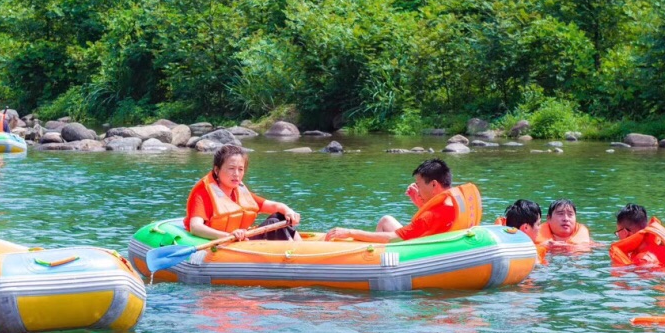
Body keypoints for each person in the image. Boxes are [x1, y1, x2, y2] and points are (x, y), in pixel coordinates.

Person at [325, 158, 481, 243]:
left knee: (383, 226)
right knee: (386, 220)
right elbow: (437, 224)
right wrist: (421, 205)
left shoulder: (431, 215)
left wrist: (350, 232)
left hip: (420, 254)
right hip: (447, 246)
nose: (417, 190)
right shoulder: (455, 204)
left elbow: (393, 238)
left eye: (419, 185)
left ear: (434, 184)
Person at [186, 145, 301, 241]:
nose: (236, 174)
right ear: (217, 170)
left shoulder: (240, 192)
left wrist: (289, 211)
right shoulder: (203, 193)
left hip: (242, 240)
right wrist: (228, 236)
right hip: (223, 242)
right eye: (231, 168)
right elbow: (195, 227)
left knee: (279, 216)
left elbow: (275, 206)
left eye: (240, 169)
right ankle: (297, 255)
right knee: (275, 222)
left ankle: (300, 250)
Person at [609, 203, 665, 268]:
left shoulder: (642, 260)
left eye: (618, 232)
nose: (618, 236)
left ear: (625, 232)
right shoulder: (660, 246)